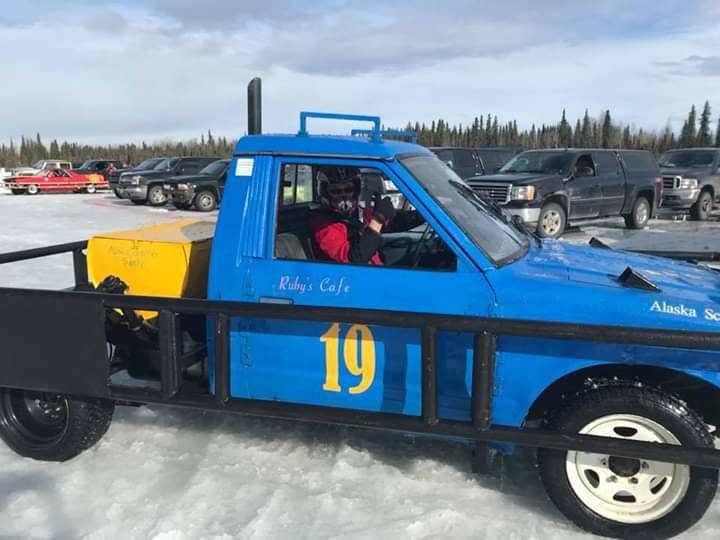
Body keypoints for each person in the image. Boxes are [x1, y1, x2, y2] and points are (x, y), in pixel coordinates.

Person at [309, 166, 423, 265]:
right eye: (336, 191)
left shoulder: (359, 214)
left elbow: (393, 223)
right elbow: (353, 260)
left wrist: (424, 214)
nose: (343, 196)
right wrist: (378, 219)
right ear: (325, 193)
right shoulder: (324, 227)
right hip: (351, 282)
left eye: (348, 190)